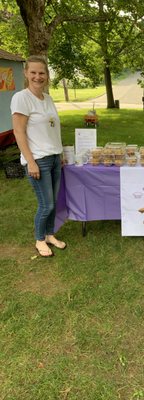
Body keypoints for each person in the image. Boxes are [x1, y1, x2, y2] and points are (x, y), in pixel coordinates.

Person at [10, 55, 66, 257]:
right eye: (33, 72)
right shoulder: (21, 98)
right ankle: (40, 239)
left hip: (53, 158)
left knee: (54, 201)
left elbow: (52, 130)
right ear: (26, 73)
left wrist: (59, 153)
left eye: (41, 73)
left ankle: (50, 234)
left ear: (47, 75)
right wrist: (30, 162)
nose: (37, 76)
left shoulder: (48, 98)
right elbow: (19, 132)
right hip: (38, 161)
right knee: (46, 204)